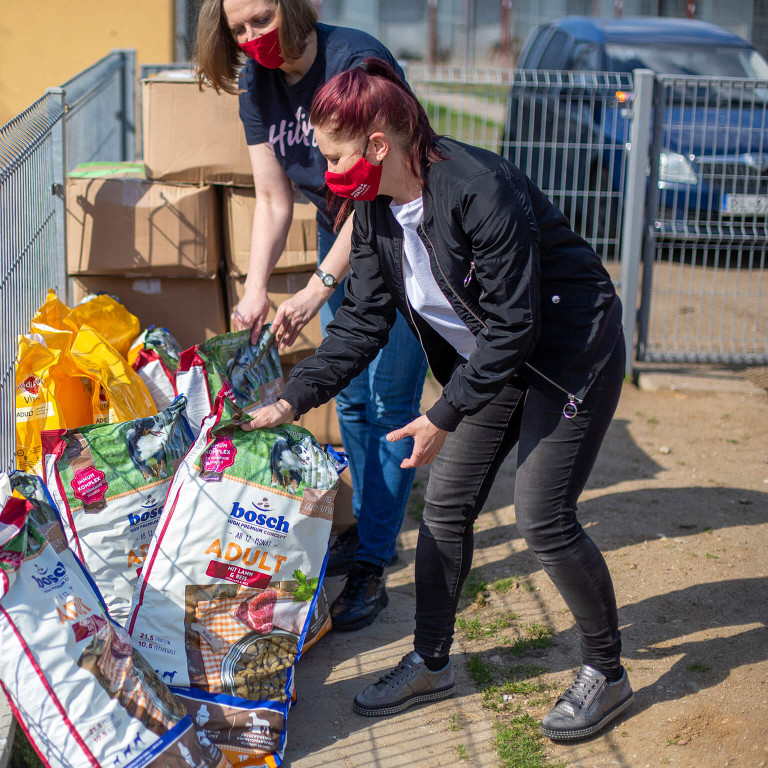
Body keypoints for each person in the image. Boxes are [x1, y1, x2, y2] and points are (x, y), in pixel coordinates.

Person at [245, 58, 633, 741]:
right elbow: (363, 320)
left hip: (571, 353)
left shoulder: (479, 188)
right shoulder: (372, 210)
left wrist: (443, 414)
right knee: (445, 508)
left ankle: (607, 669)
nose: (325, 169)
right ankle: (431, 661)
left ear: (376, 144)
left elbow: (517, 324)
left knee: (542, 515)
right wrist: (290, 399)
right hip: (497, 360)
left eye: (333, 154)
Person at [194, 0, 429, 631]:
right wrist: (256, 287)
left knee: (389, 398)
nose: (252, 38)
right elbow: (272, 198)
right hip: (339, 233)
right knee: (350, 396)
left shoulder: (356, 62)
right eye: (239, 28)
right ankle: (374, 532)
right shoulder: (255, 82)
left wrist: (320, 287)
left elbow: (383, 180)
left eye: (262, 19)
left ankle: (374, 562)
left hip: (402, 232)